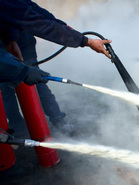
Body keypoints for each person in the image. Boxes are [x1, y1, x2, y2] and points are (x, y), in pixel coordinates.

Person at [0, 0, 112, 135]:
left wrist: (63, 26)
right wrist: (86, 41)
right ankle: (19, 131)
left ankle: (58, 121)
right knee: (7, 88)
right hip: (3, 52)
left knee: (37, 81)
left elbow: (29, 9)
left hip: (23, 44)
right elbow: (36, 23)